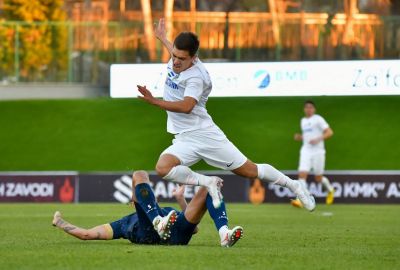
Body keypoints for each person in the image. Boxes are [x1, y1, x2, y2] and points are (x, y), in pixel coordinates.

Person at [136, 18, 315, 219]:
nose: (175, 61)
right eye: (174, 55)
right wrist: (163, 38)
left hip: (205, 135)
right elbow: (176, 52)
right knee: (163, 167)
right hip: (184, 137)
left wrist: (154, 101)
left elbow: (187, 107)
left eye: (181, 58)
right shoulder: (180, 58)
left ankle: (294, 185)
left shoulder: (196, 77)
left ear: (193, 58)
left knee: (249, 170)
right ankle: (208, 182)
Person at [52, 171, 243, 247]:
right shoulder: (125, 222)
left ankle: (224, 233)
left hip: (173, 233)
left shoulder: (168, 211)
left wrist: (181, 200)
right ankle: (156, 223)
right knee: (139, 174)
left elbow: (193, 228)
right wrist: (61, 223)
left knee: (211, 185)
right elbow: (87, 234)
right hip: (150, 233)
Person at [291, 100, 335, 208]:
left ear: (314, 109)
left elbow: (330, 132)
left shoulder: (318, 119)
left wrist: (318, 139)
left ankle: (330, 190)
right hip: (306, 150)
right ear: (304, 109)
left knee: (318, 178)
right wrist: (300, 137)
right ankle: (300, 200)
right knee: (302, 174)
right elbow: (307, 136)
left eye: (310, 107)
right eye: (306, 107)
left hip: (318, 151)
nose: (308, 109)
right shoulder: (303, 121)